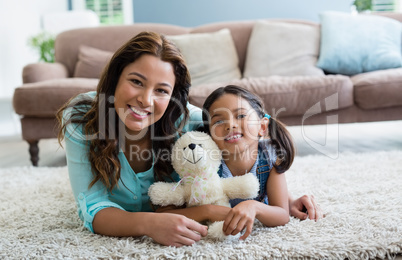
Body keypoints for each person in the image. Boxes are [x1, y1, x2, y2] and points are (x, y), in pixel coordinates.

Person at [57, 31, 321, 248]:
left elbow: (243, 144)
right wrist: (148, 224)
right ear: (115, 78)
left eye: (161, 90)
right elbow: (92, 206)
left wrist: (283, 200)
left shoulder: (190, 121)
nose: (146, 100)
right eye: (136, 82)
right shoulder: (83, 118)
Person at [198, 85, 318, 239]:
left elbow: (282, 215)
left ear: (262, 126)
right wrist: (208, 211)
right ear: (210, 135)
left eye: (240, 116)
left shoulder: (270, 156)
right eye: (218, 121)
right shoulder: (205, 162)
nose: (230, 125)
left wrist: (254, 207)